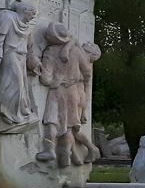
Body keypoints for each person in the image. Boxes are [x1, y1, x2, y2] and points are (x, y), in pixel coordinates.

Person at [35, 22, 101, 166]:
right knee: (70, 126)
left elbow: (45, 79)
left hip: (57, 91)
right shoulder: (77, 51)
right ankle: (67, 157)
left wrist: (55, 81)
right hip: (73, 92)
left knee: (52, 120)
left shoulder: (50, 52)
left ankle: (50, 150)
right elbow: (87, 72)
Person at [0, 0, 38, 125]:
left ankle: (15, 113)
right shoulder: (7, 17)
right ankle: (2, 110)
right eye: (32, 13)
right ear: (24, 10)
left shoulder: (26, 27)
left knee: (21, 87)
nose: (33, 16)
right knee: (12, 84)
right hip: (9, 55)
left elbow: (30, 47)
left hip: (21, 58)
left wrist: (34, 61)